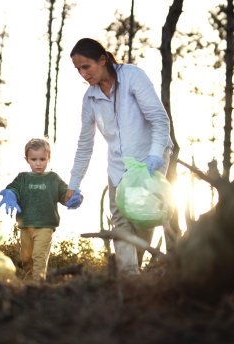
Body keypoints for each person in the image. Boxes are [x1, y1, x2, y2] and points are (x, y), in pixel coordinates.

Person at [66, 38, 173, 275]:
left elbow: (159, 119)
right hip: (118, 166)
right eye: (78, 69)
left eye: (86, 66)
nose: (83, 74)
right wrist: (74, 185)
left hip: (150, 158)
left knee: (142, 216)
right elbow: (85, 145)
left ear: (102, 60)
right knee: (121, 220)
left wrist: (155, 155)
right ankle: (129, 276)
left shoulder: (133, 76)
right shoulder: (90, 99)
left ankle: (133, 268)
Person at [0, 138, 83, 281]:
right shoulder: (22, 178)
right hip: (26, 226)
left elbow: (64, 194)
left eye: (42, 159)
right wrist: (10, 193)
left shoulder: (53, 178)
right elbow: (13, 189)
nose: (38, 163)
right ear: (27, 160)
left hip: (45, 225)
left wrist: (74, 198)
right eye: (34, 159)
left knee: (39, 256)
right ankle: (29, 283)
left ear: (49, 159)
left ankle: (38, 284)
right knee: (26, 258)